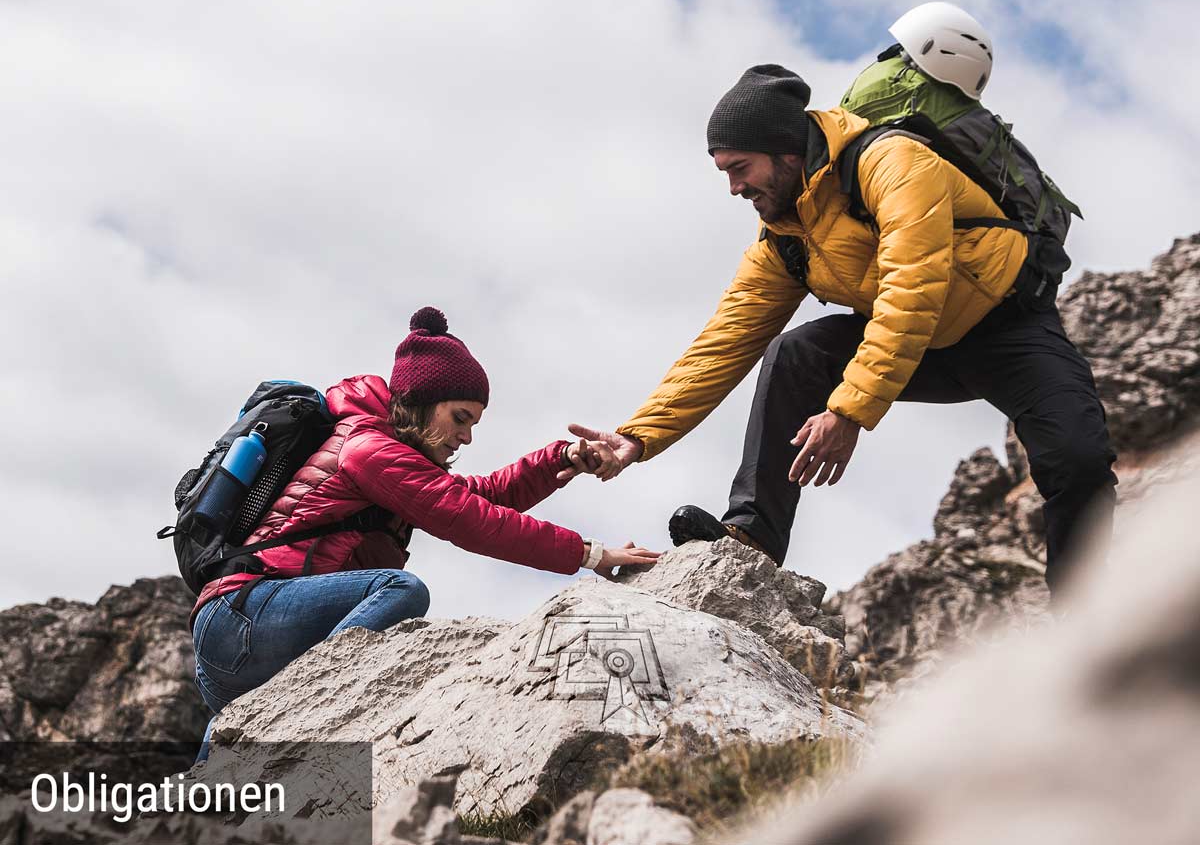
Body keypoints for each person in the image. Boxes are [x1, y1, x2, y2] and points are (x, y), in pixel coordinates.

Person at [571, 63, 1117, 598]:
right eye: (724, 172)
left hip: (1008, 331)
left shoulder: (892, 162)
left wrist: (848, 411)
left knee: (1078, 458)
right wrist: (638, 436)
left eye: (740, 167)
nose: (734, 187)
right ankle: (752, 536)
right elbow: (725, 340)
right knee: (795, 353)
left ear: (785, 151)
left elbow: (914, 285)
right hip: (912, 344)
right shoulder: (785, 235)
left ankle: (1081, 618)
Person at [191, 307, 661, 757]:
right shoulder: (369, 449)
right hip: (244, 617)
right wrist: (590, 554)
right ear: (421, 401)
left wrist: (560, 458)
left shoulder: (391, 456)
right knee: (401, 590)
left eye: (474, 423)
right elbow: (470, 519)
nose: (468, 437)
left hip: (240, 644)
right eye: (460, 418)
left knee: (217, 800)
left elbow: (483, 497)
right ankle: (312, 705)